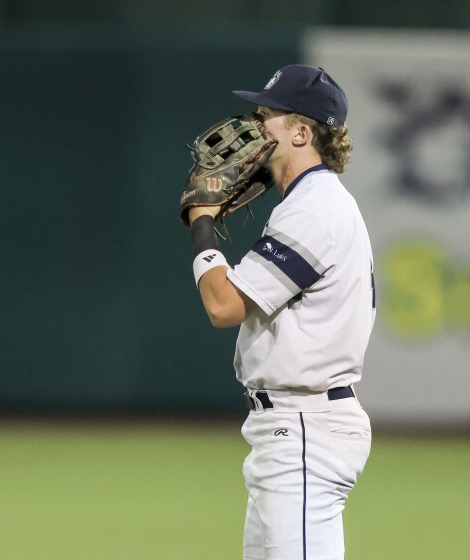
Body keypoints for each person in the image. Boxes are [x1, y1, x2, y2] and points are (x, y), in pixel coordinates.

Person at [187, 64, 375, 560]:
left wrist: (203, 224)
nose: (253, 127)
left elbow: (223, 305)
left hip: (306, 426)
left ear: (301, 131)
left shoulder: (314, 209)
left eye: (267, 114)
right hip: (295, 428)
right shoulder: (312, 203)